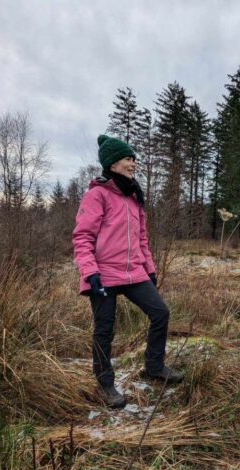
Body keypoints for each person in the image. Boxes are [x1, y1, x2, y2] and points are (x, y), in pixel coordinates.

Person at [73, 134, 184, 408]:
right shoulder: (96, 195)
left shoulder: (135, 197)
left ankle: (154, 366)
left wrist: (150, 268)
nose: (133, 163)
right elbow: (82, 237)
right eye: (127, 158)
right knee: (105, 329)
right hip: (103, 275)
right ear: (112, 163)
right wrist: (90, 272)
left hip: (133, 272)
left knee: (160, 312)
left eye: (134, 159)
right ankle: (105, 384)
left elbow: (141, 238)